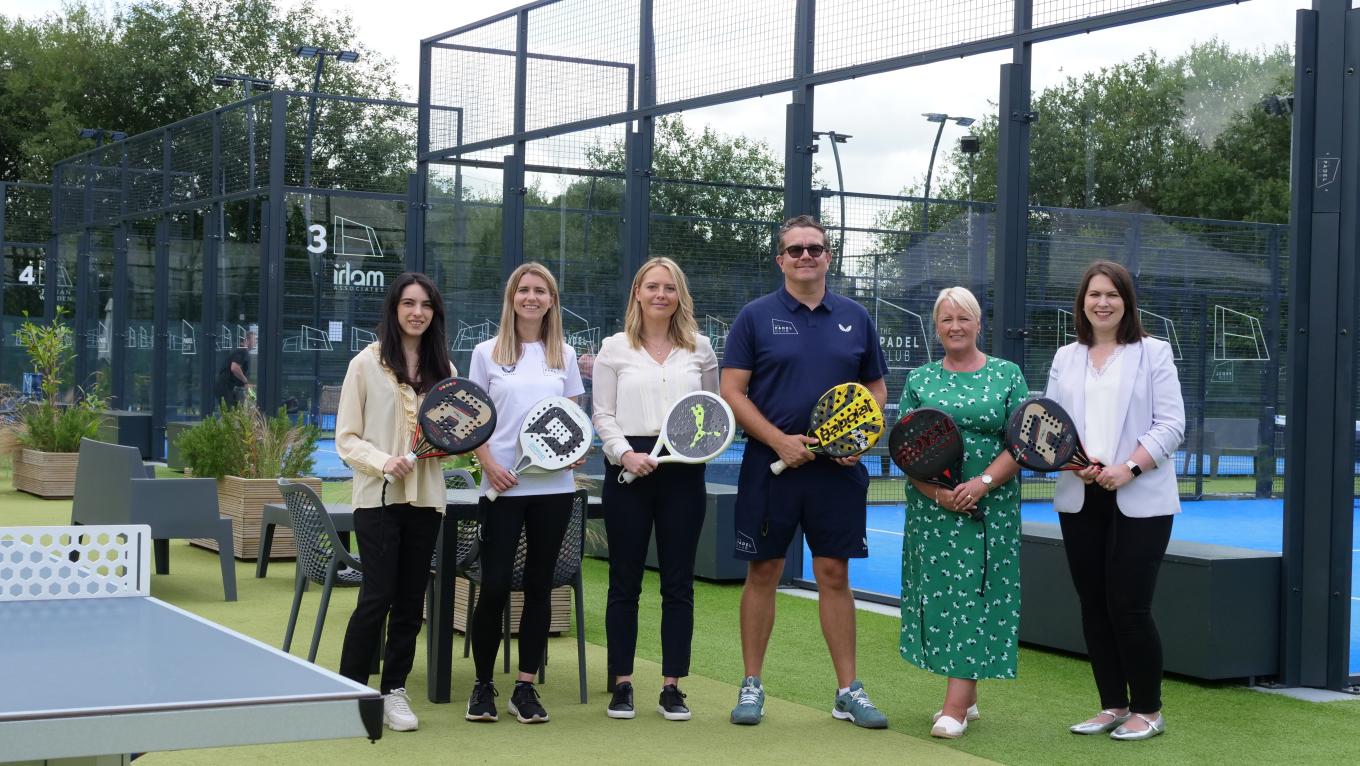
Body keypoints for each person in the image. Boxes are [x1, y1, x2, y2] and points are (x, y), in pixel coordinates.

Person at [719, 214, 889, 729]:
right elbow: (732, 390)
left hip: (836, 474)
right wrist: (777, 441)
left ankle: (847, 691)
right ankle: (752, 684)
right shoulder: (755, 316)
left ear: (828, 256)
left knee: (835, 573)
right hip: (769, 468)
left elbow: (875, 391)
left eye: (815, 248)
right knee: (764, 571)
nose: (806, 257)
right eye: (795, 250)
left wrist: (856, 437)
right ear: (781, 259)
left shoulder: (855, 317)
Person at [1045, 260, 1184, 741]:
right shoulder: (1066, 357)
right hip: (1081, 496)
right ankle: (1113, 705)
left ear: (1127, 302)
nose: (1102, 303)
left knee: (1129, 606)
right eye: (1093, 295)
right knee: (1094, 606)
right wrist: (1074, 463)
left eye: (1112, 295)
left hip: (1139, 496)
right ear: (1082, 303)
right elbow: (1050, 426)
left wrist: (1128, 468)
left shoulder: (1154, 353)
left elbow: (1171, 424)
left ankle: (1149, 709)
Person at [592, 256, 719, 721]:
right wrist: (625, 454)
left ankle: (672, 687)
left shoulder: (701, 349)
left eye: (669, 287)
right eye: (652, 287)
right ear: (638, 294)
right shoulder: (613, 348)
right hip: (627, 471)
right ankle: (622, 684)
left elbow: (712, 410)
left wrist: (690, 451)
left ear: (679, 295)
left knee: (678, 583)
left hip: (684, 474)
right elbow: (602, 414)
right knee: (624, 582)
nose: (661, 295)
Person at [898, 286, 1028, 739]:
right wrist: (938, 494)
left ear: (978, 323)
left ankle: (954, 706)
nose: (955, 327)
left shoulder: (1008, 375)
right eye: (946, 319)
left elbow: (1022, 442)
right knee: (942, 598)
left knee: (976, 595)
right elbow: (906, 449)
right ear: (936, 328)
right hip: (933, 512)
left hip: (990, 509)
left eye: (963, 318)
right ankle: (967, 698)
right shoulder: (919, 380)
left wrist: (981, 484)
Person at [465, 262, 586, 724]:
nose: (531, 297)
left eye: (541, 291)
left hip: (554, 490)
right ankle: (482, 686)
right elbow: (471, 416)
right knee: (494, 586)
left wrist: (576, 452)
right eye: (524, 290)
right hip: (501, 487)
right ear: (512, 297)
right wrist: (490, 465)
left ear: (551, 300)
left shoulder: (565, 355)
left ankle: (524, 688)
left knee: (539, 587)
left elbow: (573, 417)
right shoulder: (486, 352)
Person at [334, 272, 455, 732]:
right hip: (378, 499)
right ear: (394, 308)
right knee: (377, 596)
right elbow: (346, 438)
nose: (417, 312)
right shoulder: (364, 364)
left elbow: (455, 432)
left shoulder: (446, 372)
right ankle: (350, 691)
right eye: (408, 303)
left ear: (434, 314)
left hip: (427, 501)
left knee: (409, 602)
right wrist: (385, 461)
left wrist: (447, 447)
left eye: (425, 305)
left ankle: (394, 690)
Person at [214, 328, 256, 408]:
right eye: (254, 339)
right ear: (247, 340)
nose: (255, 342)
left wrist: (245, 384)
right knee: (231, 412)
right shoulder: (242, 351)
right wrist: (245, 381)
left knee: (234, 411)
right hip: (224, 387)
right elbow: (235, 368)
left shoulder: (242, 352)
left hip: (227, 387)